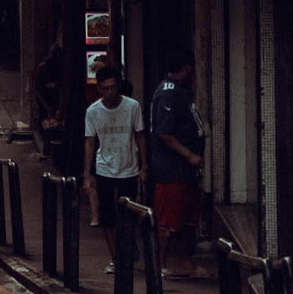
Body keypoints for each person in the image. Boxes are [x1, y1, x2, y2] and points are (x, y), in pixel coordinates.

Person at [85, 63, 148, 271]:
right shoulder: (93, 111)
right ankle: (115, 256)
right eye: (106, 88)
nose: (110, 92)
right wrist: (88, 173)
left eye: (113, 87)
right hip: (105, 168)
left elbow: (140, 136)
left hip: (128, 168)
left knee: (128, 214)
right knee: (108, 216)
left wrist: (144, 166)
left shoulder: (132, 107)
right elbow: (90, 142)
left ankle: (127, 248)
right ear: (99, 89)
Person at [150, 51, 206, 277]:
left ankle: (184, 262)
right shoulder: (168, 94)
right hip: (173, 169)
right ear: (185, 67)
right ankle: (160, 265)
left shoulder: (178, 92)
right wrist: (189, 155)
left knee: (185, 221)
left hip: (185, 171)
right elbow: (164, 133)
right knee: (168, 221)